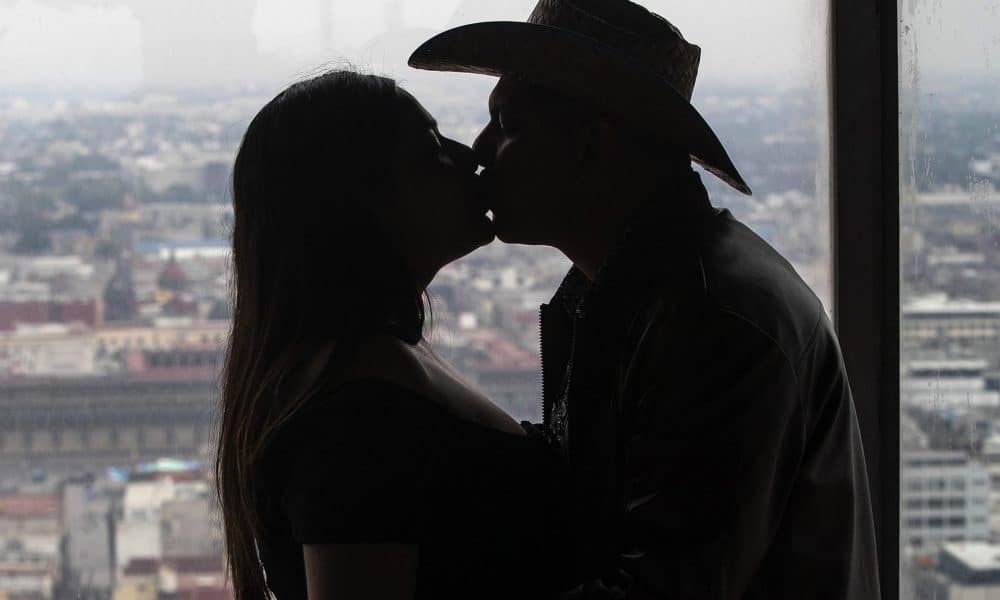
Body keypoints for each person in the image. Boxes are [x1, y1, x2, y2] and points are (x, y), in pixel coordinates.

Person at [409, 0, 882, 598]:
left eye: (506, 125)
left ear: (592, 145)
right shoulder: (663, 291)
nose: (479, 149)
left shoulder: (711, 321)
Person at [214, 70, 574, 600]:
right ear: (363, 206)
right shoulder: (355, 418)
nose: (470, 154)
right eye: (431, 150)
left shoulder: (359, 368)